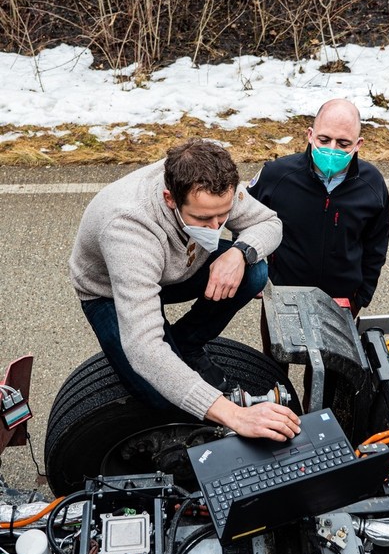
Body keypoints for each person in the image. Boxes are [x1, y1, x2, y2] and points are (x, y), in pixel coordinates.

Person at [69, 138, 301, 441]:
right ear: (170, 199)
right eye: (203, 219)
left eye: (223, 215)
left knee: (254, 270)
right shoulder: (127, 228)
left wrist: (239, 253)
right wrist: (234, 415)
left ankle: (186, 343)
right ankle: (174, 355)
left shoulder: (213, 183)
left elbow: (270, 223)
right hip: (110, 290)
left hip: (175, 269)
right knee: (159, 396)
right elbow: (144, 348)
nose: (216, 227)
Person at [247, 98, 389, 317]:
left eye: (343, 144)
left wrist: (362, 297)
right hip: (283, 296)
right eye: (324, 140)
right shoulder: (276, 176)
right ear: (310, 135)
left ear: (358, 144)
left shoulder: (372, 184)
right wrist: (252, 271)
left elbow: (376, 246)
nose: (332, 149)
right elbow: (244, 217)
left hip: (342, 302)